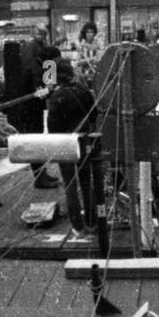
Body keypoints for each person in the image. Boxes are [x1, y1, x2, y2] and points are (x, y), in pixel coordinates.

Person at [47, 59, 98, 237]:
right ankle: (92, 223)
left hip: (64, 143)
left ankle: (78, 227)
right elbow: (94, 115)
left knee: (70, 186)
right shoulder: (83, 90)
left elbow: (52, 127)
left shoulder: (56, 97)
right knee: (86, 183)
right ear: (70, 73)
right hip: (83, 141)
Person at [19, 25, 62, 189]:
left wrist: (51, 87)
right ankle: (39, 177)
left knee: (37, 137)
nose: (42, 36)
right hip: (29, 104)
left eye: (44, 34)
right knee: (34, 139)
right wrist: (49, 89)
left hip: (34, 104)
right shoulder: (34, 54)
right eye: (40, 34)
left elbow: (48, 77)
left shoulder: (43, 52)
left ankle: (42, 173)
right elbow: (39, 83)